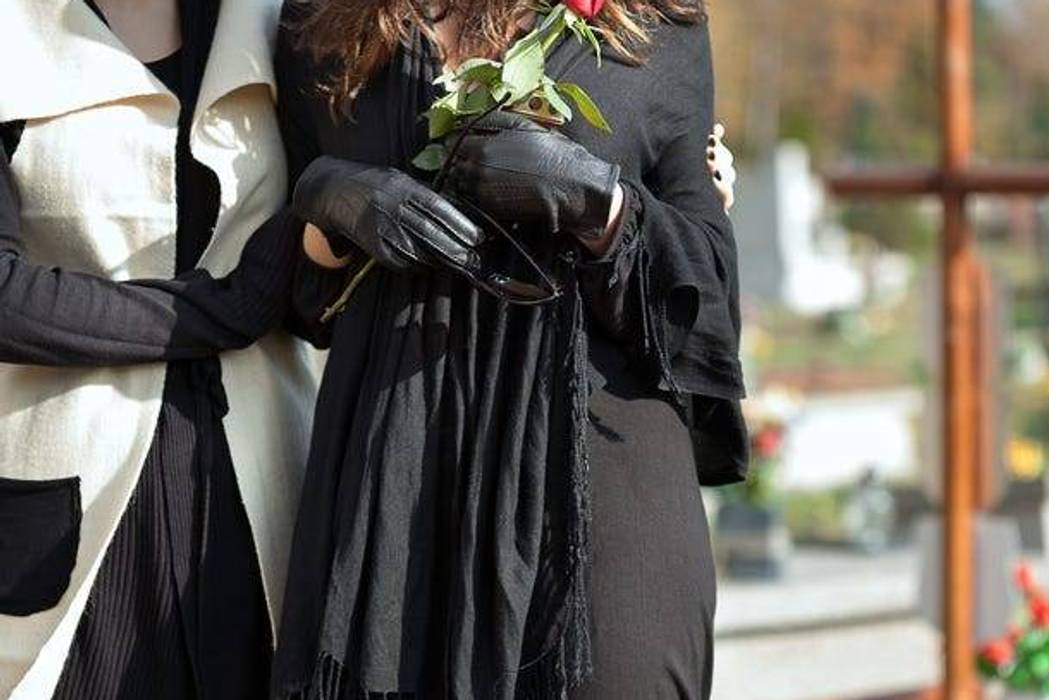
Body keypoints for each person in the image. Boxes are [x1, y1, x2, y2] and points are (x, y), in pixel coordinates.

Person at [270, 0, 746, 698]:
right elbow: (295, 297)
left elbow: (706, 294)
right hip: (398, 496)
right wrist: (329, 208)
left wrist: (598, 205)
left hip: (601, 494)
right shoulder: (319, 21)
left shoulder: (650, 22)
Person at [0, 0, 330, 697]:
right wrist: (225, 309)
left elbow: (311, 278)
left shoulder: (282, 23)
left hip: (256, 492)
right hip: (70, 501)